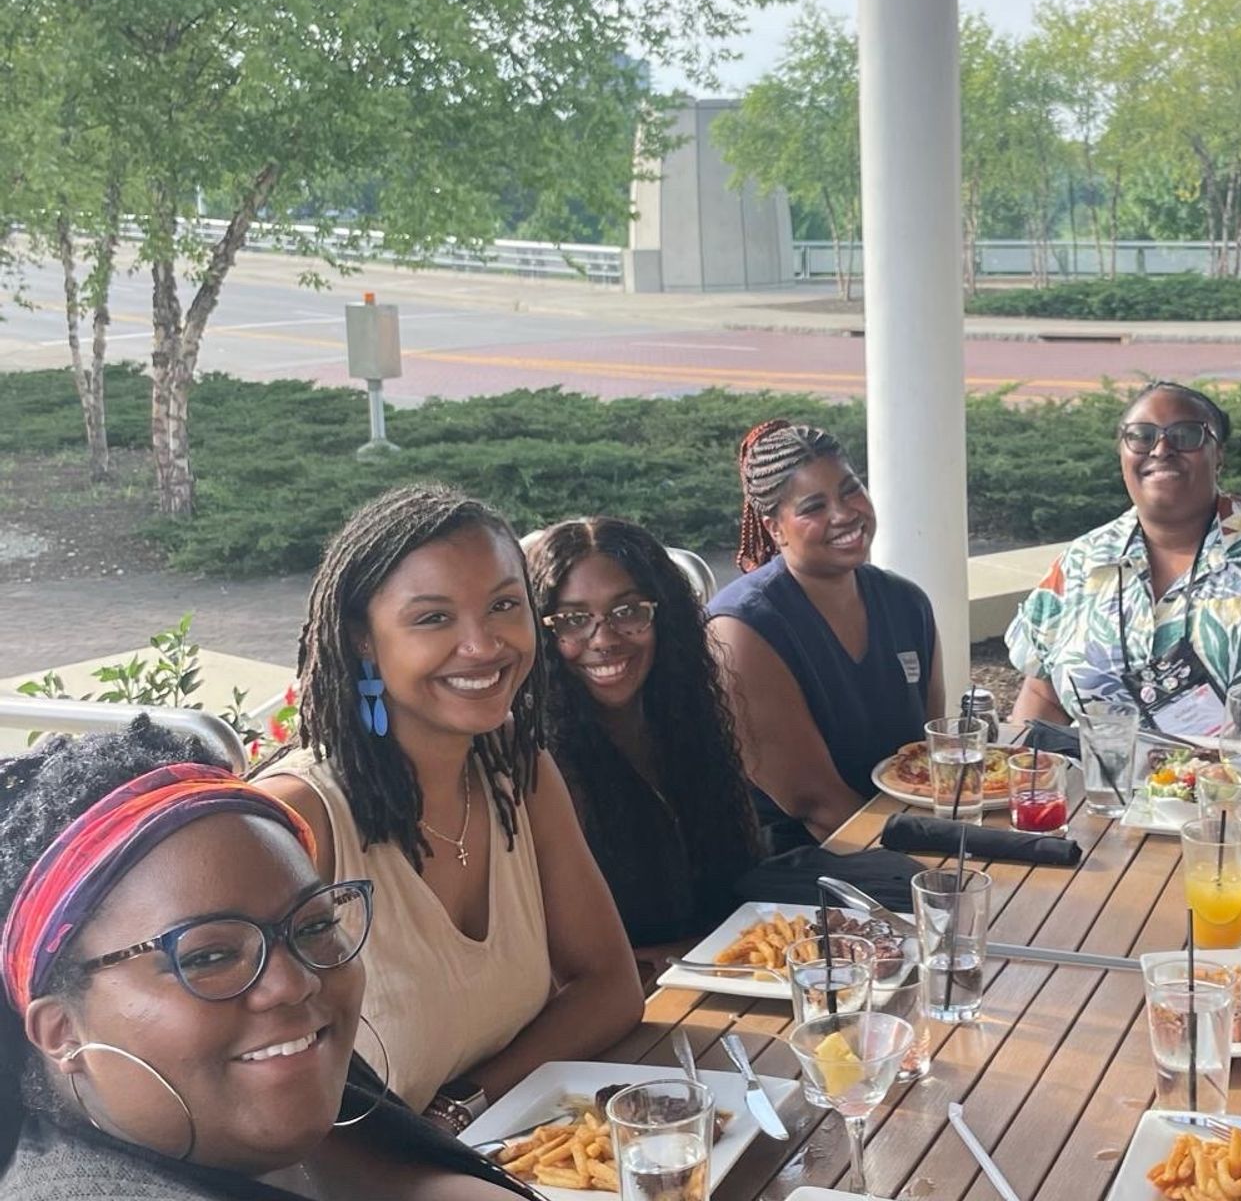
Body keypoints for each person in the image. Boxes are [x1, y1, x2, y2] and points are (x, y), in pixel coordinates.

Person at [0, 718, 529, 1199]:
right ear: (61, 1029)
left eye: (316, 925)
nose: (293, 982)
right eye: (209, 955)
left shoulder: (278, 1080)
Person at [257, 485, 643, 1120]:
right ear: (362, 639)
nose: (483, 645)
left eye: (503, 606)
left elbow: (611, 988)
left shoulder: (515, 769)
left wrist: (461, 1107)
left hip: (497, 1153)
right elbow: (252, 1110)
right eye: (434, 618)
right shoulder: (300, 823)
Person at [1007, 380, 1241, 743]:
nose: (1160, 449)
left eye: (1186, 435)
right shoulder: (1079, 565)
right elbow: (1043, 696)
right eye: (1141, 436)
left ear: (1218, 452)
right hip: (1103, 802)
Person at [527, 516, 761, 950]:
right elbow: (568, 965)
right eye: (573, 619)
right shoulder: (542, 769)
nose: (604, 639)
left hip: (738, 980)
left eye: (628, 611)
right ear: (542, 635)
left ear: (664, 618)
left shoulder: (690, 723)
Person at [707, 420, 943, 844]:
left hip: (903, 836)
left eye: (851, 489)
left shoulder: (908, 604)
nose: (844, 513)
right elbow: (817, 805)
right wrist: (938, 864)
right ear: (774, 527)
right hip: (797, 864)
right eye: (813, 506)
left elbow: (929, 760)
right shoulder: (742, 629)